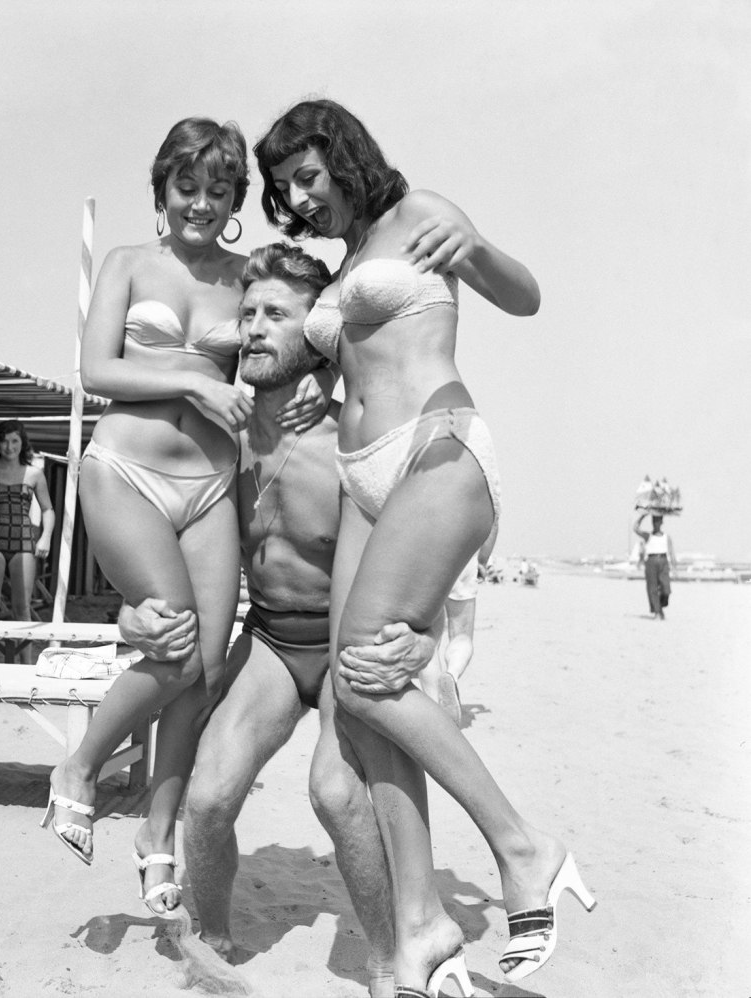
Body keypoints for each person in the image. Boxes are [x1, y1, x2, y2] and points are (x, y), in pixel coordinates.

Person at [255, 99, 595, 992]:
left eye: (308, 177)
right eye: (286, 187)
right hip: (361, 473)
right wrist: (311, 384)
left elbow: (525, 296)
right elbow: (351, 356)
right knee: (363, 715)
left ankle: (523, 849)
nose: (298, 198)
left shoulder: (421, 216)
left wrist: (474, 251)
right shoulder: (345, 262)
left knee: (369, 669)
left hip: (434, 448)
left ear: (345, 156)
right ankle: (418, 925)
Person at [117, 242, 439, 998]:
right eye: (249, 313)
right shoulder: (214, 435)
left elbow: (433, 535)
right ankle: (216, 936)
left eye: (277, 314)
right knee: (207, 798)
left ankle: (391, 961)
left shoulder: (348, 438)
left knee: (333, 792)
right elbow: (148, 531)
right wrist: (133, 613)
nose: (256, 327)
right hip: (266, 638)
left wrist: (419, 633)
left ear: (317, 332)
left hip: (343, 641)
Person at [41, 119, 330, 917]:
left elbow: (314, 315)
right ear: (162, 189)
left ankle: (157, 838)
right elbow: (95, 370)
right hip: (127, 472)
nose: (201, 205)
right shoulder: (129, 264)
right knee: (167, 648)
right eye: (186, 188)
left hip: (210, 487)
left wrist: (323, 372)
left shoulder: (247, 277)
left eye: (218, 192)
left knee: (201, 670)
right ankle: (79, 769)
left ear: (237, 200)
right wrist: (197, 384)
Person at [0, 419, 54, 621]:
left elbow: (48, 509)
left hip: (23, 543)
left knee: (22, 609)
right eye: (4, 441)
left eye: (14, 441)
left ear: (23, 443)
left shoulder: (35, 474)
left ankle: (26, 655)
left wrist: (46, 537)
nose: (9, 447)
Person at [633, 511, 676, 619]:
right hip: (651, 561)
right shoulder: (648, 536)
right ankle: (657, 612)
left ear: (661, 522)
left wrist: (675, 567)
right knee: (652, 588)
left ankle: (660, 607)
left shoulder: (666, 537)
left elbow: (671, 551)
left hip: (663, 560)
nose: (656, 523)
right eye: (654, 521)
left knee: (666, 589)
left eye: (658, 521)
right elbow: (635, 528)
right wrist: (643, 516)